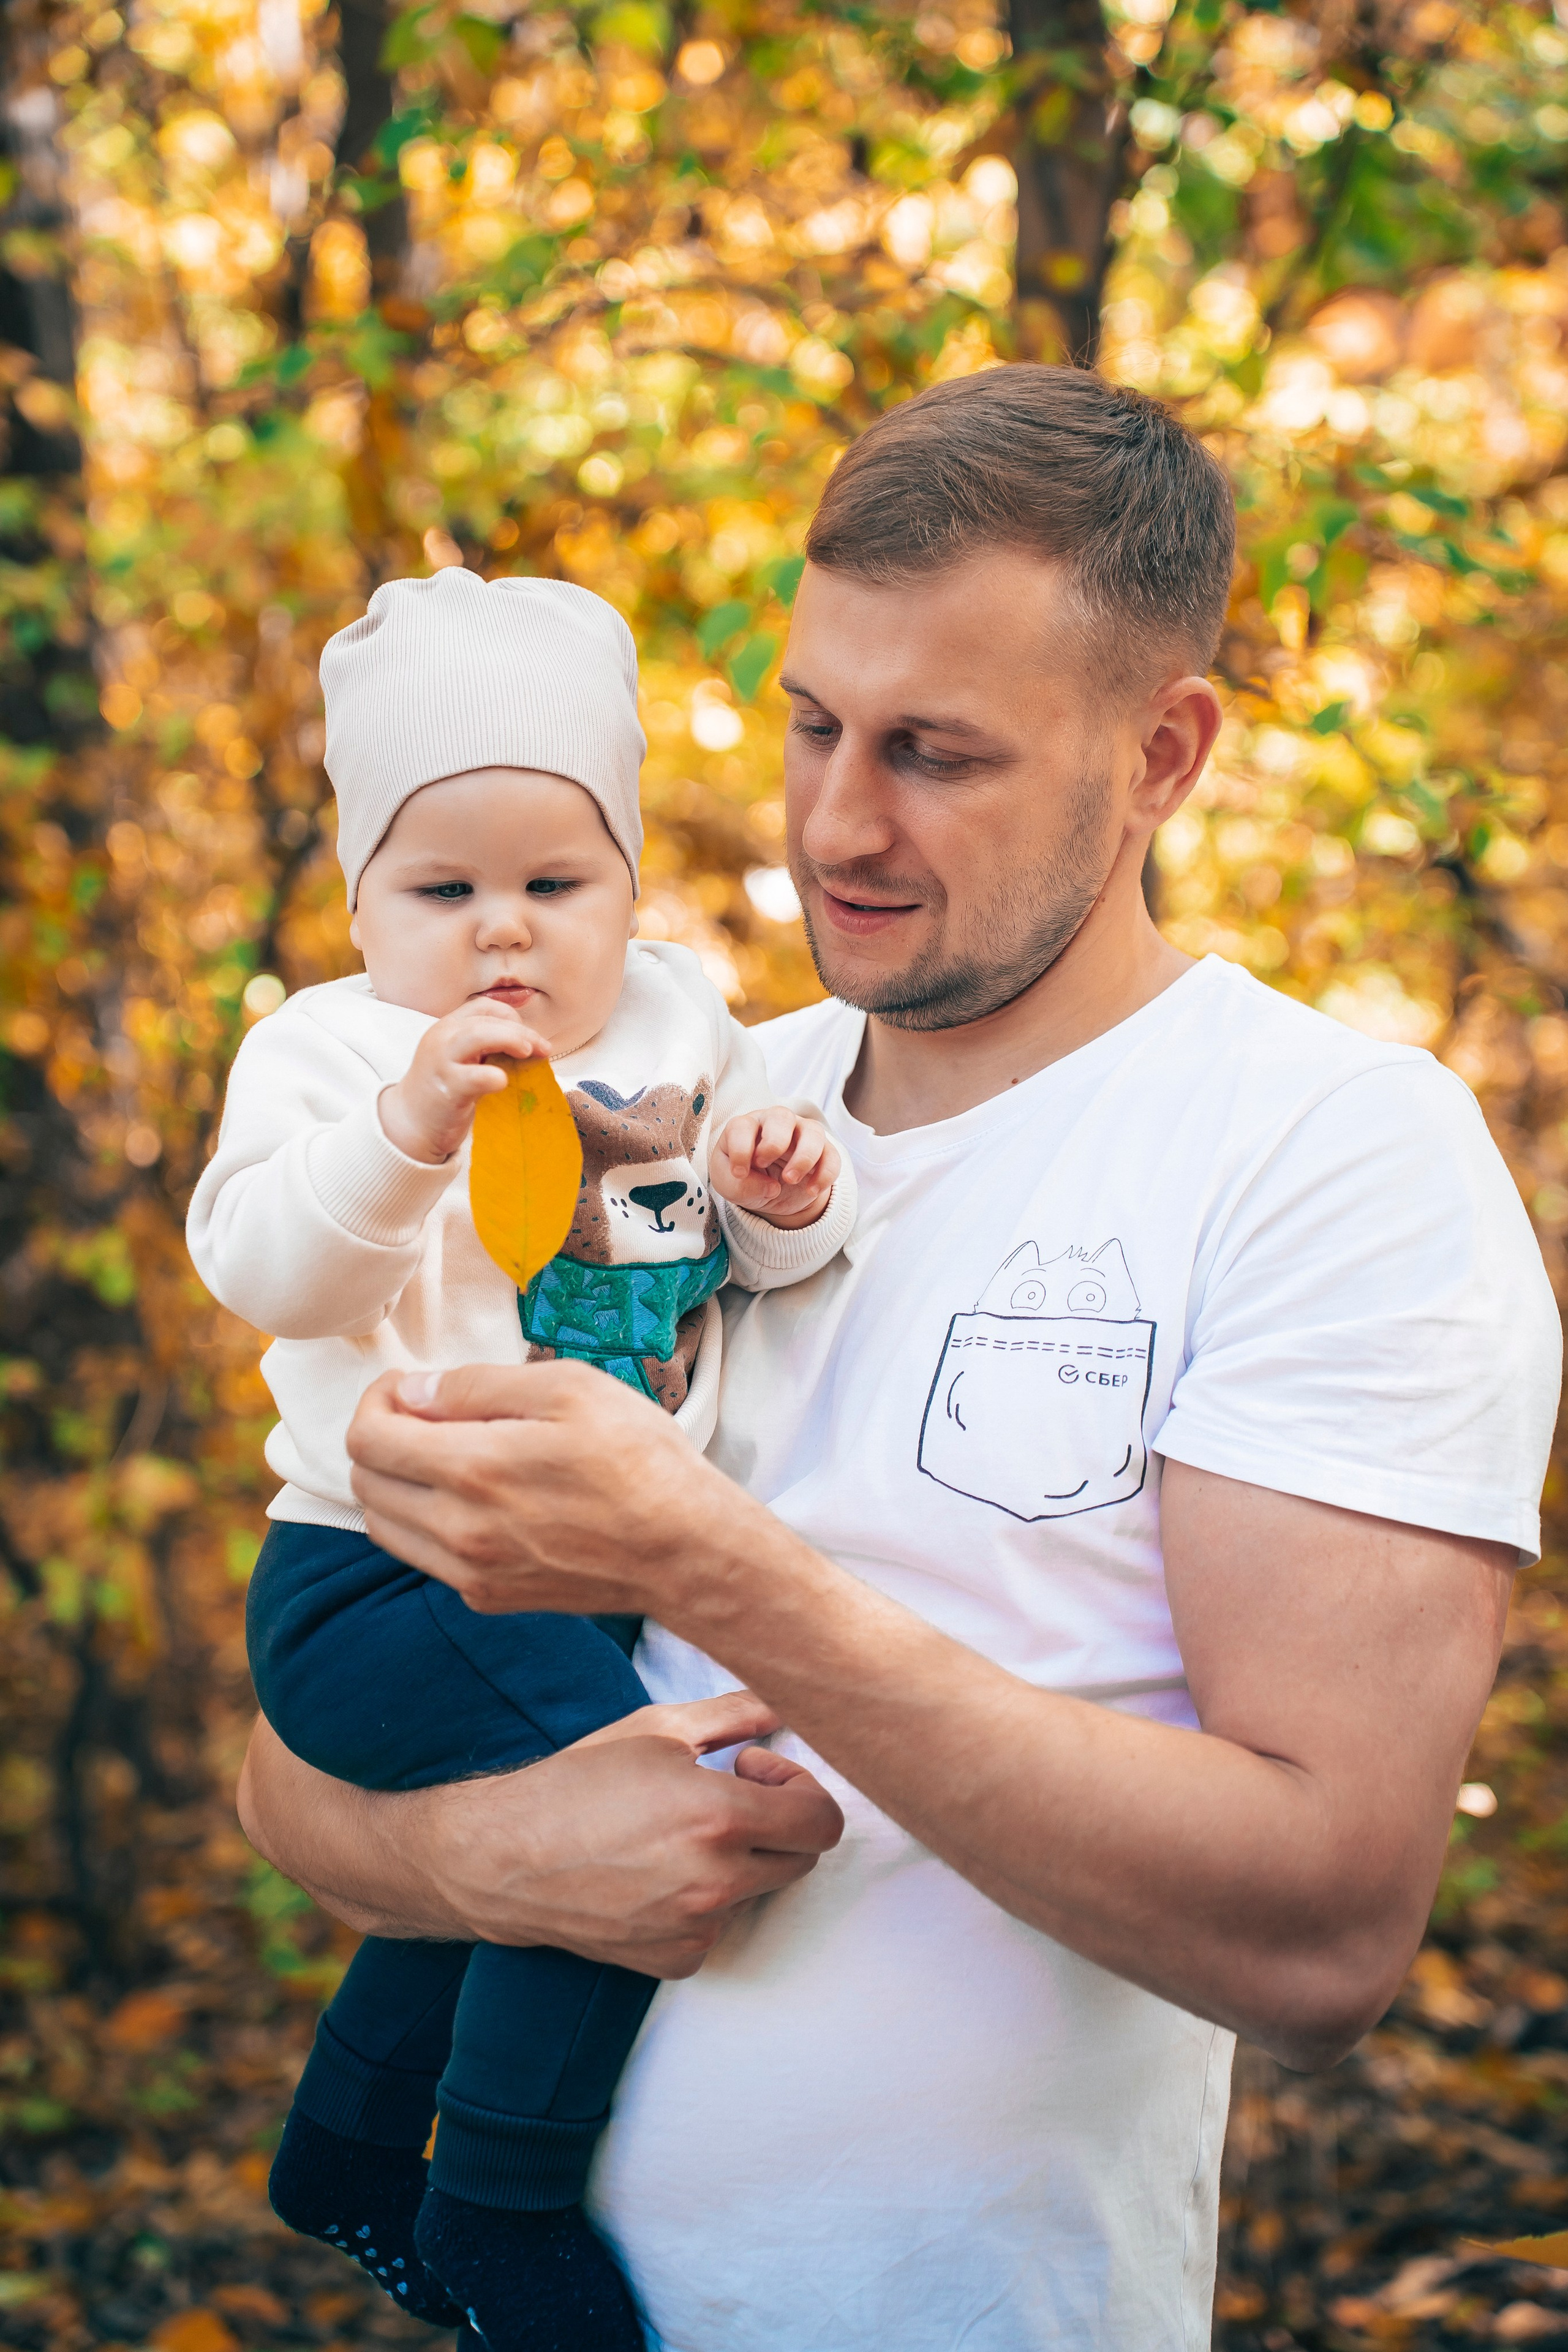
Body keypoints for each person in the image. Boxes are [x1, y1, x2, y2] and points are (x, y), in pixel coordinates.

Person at [237, 366, 1562, 2352]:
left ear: (1164, 752)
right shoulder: (693, 1103)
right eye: (810, 723)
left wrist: (701, 1561)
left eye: (937, 751)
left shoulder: (1324, 1148)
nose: (835, 822)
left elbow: (1328, 1924)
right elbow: (288, 1772)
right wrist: (487, 1855)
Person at [188, 571, 854, 2352]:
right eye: (444, 889)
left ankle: (344, 2147)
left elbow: (731, 1273)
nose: (503, 936)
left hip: (573, 1576)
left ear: (629, 886)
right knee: (624, 1818)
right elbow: (264, 1269)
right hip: (380, 1569)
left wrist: (789, 1196)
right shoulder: (327, 1050)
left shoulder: (679, 1025)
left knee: (525, 1849)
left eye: (554, 886)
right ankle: (494, 2203)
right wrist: (408, 1128)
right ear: (359, 900)